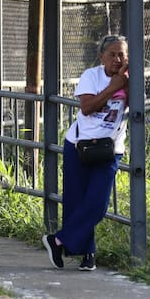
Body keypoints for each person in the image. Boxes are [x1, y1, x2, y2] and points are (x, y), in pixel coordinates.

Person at [43, 34, 130, 272]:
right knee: (76, 201)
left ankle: (57, 241)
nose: (116, 59)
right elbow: (87, 107)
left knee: (97, 204)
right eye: (112, 54)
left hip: (109, 149)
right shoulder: (91, 76)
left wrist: (126, 80)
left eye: (121, 54)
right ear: (102, 57)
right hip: (79, 145)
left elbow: (136, 105)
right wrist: (113, 88)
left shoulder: (129, 79)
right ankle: (87, 254)